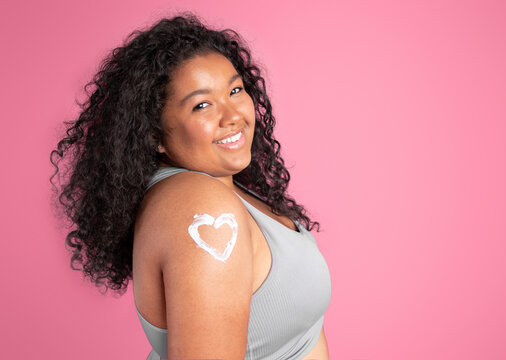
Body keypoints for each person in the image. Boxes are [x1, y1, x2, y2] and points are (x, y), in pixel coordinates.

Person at [50, 13, 331, 360]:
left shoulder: (220, 186)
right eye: (202, 105)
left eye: (235, 90)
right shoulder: (203, 206)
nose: (232, 116)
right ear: (155, 135)